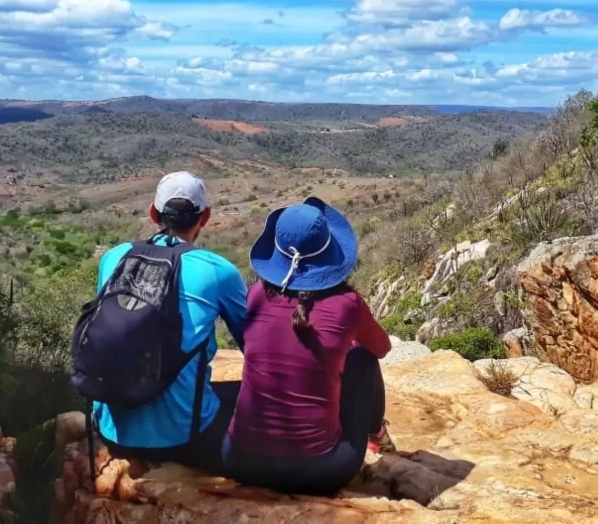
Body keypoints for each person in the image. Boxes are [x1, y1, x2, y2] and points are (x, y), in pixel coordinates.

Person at [222, 196, 393, 496]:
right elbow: (381, 348)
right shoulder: (347, 305)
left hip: (240, 463)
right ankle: (377, 435)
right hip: (321, 471)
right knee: (363, 359)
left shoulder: (255, 296)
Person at [89, 171, 247, 473]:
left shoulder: (114, 258)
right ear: (206, 217)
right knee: (241, 396)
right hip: (184, 438)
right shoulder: (217, 271)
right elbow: (254, 346)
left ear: (153, 213)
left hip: (110, 431)